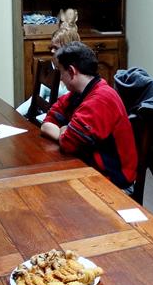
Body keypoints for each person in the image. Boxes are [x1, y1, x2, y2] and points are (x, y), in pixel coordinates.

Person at [41, 42, 137, 189]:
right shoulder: (79, 93)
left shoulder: (100, 99)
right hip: (90, 168)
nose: (60, 79)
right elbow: (47, 122)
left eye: (61, 72)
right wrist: (64, 131)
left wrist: (64, 131)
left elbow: (68, 144)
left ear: (71, 71)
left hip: (113, 182)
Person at [16, 23, 80, 121]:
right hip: (46, 115)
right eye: (51, 48)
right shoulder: (54, 69)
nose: (52, 51)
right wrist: (15, 115)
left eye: (56, 48)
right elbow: (34, 99)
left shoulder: (77, 75)